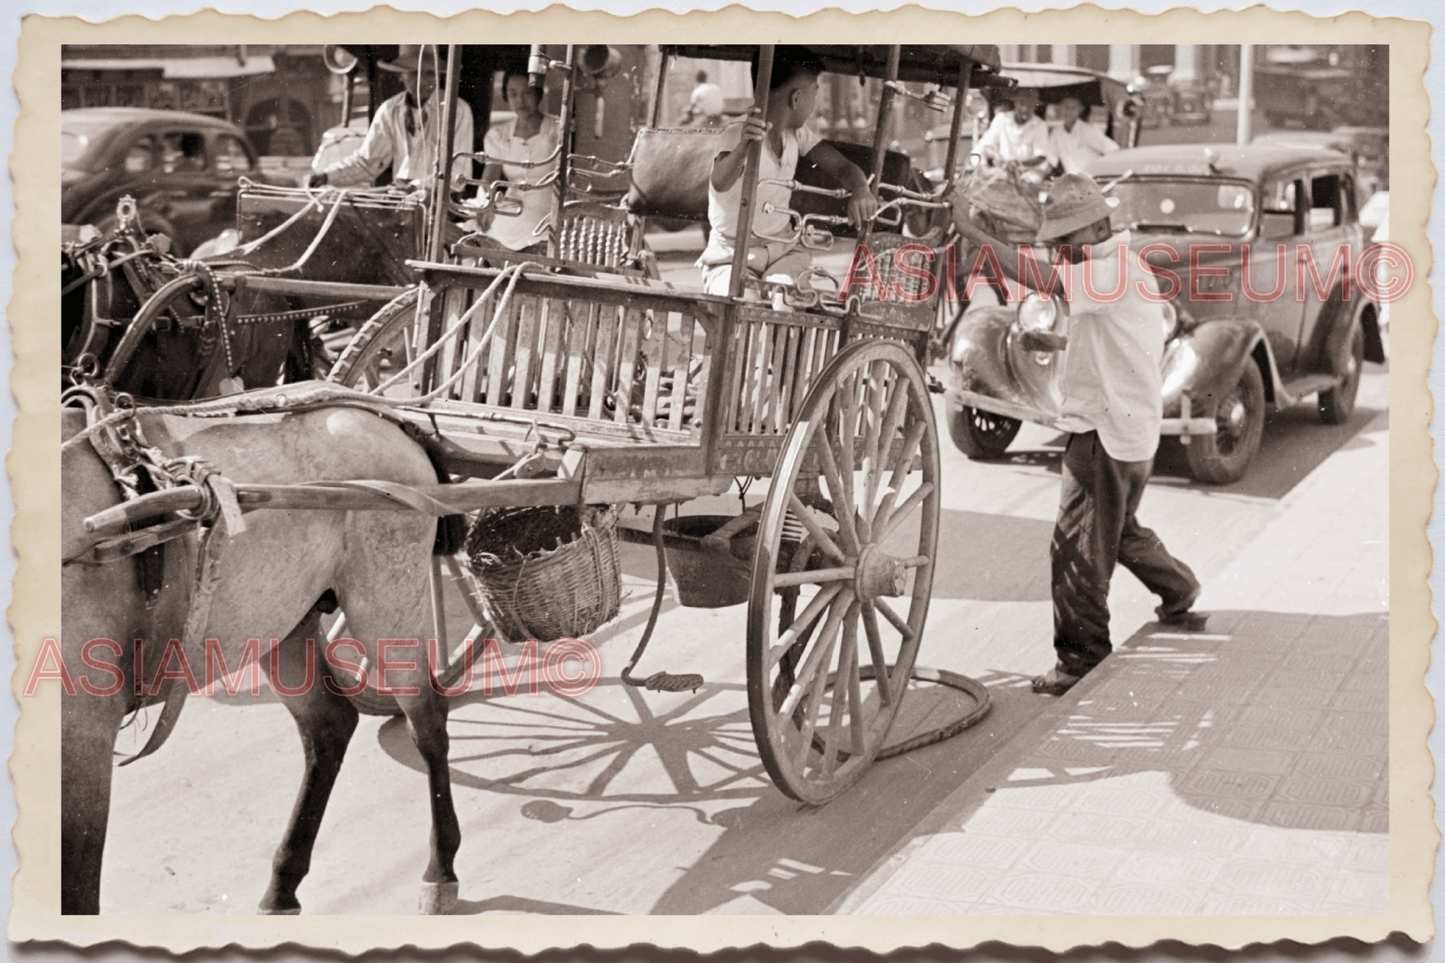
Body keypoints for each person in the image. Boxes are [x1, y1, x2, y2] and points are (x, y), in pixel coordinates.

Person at [953, 173, 1203, 696]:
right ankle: (1179, 589)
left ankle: (1081, 659)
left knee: (1076, 549)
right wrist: (1061, 339)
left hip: (1104, 431)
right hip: (1133, 430)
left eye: (1066, 241)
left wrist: (976, 238)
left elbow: (1039, 278)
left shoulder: (1109, 269)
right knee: (1119, 531)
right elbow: (1116, 338)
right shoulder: (1125, 267)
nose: (1062, 250)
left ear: (1096, 228)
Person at [699, 47, 877, 298]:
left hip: (783, 253)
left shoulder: (797, 136)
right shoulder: (738, 133)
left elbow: (843, 167)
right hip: (731, 257)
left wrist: (860, 188)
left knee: (784, 299)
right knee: (742, 303)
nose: (814, 106)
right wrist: (743, 149)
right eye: (815, 94)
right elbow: (720, 182)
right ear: (796, 99)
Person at [311, 44, 475, 193]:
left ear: (439, 76)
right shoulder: (390, 110)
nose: (422, 81)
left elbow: (458, 174)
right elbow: (367, 163)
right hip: (402, 199)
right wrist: (326, 177)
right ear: (401, 76)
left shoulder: (456, 111)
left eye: (430, 73)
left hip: (440, 203)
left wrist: (415, 187)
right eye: (413, 73)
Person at [475, 69, 563, 254]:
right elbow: (489, 178)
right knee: (481, 238)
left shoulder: (556, 129)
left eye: (527, 93)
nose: (520, 100)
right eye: (513, 94)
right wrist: (487, 205)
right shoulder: (499, 134)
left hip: (544, 212)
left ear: (538, 93)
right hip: (510, 209)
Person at [975, 88, 1053, 173]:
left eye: (1030, 105)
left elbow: (1041, 157)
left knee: (1034, 178)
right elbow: (986, 146)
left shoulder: (1040, 125)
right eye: (1022, 103)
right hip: (1003, 170)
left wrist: (1019, 164)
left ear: (1035, 107)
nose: (1025, 109)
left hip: (1027, 172)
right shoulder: (1002, 118)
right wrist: (996, 156)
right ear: (1015, 103)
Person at [1047, 95, 1119, 175]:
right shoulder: (1057, 133)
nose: (1068, 112)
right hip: (1074, 182)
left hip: (1094, 179)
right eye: (1066, 107)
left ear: (1080, 110)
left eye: (1073, 108)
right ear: (1060, 108)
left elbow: (1112, 149)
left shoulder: (1089, 130)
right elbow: (1051, 159)